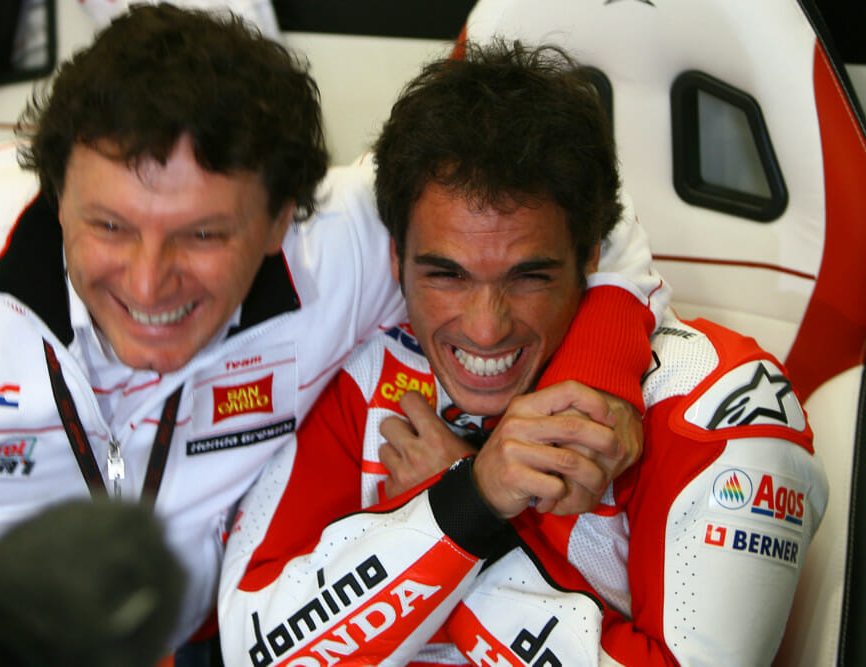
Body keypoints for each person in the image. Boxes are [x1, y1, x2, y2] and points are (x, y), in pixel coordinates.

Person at [0, 3, 664, 655]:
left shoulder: (346, 243)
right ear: (53, 194)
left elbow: (595, 218)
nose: (147, 282)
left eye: (204, 235)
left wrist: (593, 388)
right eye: (110, 225)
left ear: (283, 218)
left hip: (184, 640)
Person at [217, 42, 828, 665]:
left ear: (592, 254)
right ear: (395, 258)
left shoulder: (722, 407)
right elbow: (253, 649)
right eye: (446, 275)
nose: (486, 329)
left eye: (529, 277)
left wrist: (460, 519)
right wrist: (467, 503)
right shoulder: (367, 370)